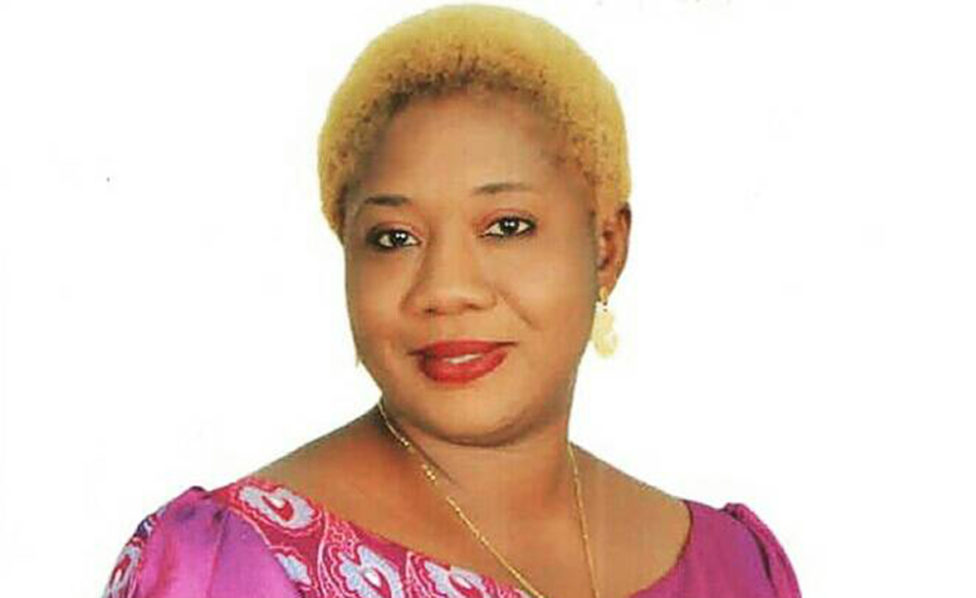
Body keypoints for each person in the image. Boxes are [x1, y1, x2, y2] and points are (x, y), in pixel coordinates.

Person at [101, 4, 801, 598]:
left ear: (606, 248)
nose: (445, 289)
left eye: (507, 227)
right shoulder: (229, 566)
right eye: (394, 238)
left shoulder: (735, 566)